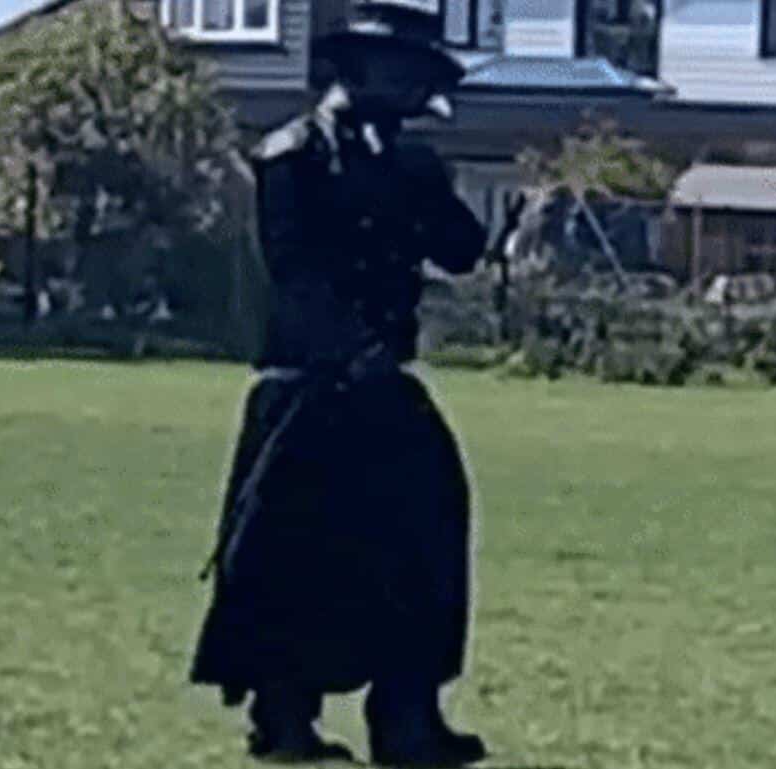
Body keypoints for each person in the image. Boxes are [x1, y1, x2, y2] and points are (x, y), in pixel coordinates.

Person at [188, 4, 518, 765]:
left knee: (425, 533)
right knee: (290, 553)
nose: (415, 91)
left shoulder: (405, 163)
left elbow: (461, 250)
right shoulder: (291, 155)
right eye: (405, 74)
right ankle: (284, 715)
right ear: (363, 71)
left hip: (379, 382)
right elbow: (294, 272)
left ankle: (408, 713)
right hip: (306, 383)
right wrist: (350, 351)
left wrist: (430, 185)